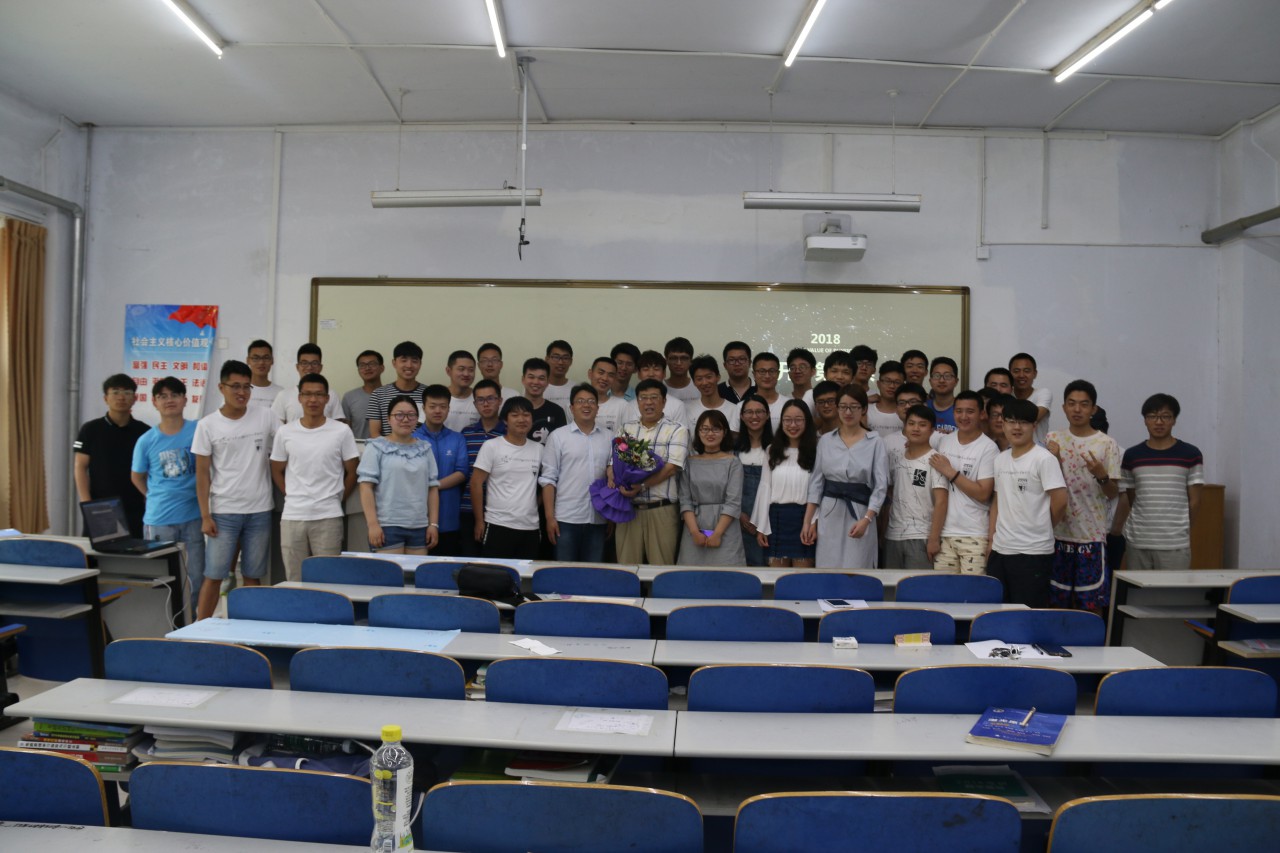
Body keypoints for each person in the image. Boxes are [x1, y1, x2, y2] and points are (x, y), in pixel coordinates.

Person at [192, 360, 279, 620]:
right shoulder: (207, 425)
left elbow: (288, 443)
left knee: (253, 575)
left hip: (259, 510)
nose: (242, 392)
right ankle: (198, 631)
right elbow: (202, 474)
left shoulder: (265, 415)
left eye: (246, 387)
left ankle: (253, 631)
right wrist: (205, 516)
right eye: (235, 386)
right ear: (222, 387)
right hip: (224, 513)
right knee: (214, 575)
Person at [269, 374, 359, 581]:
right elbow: (276, 469)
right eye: (307, 394)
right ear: (299, 398)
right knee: (295, 578)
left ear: (327, 398)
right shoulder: (285, 432)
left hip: (328, 516)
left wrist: (338, 498)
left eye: (319, 394)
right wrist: (290, 494)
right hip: (293, 516)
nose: (313, 400)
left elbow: (352, 470)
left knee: (327, 579)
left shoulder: (341, 431)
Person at [1046, 380, 1121, 611]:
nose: (1077, 409)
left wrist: (1101, 475)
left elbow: (1113, 493)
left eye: (1084, 404)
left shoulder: (1107, 444)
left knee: (1090, 605)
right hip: (1056, 534)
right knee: (1055, 603)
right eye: (1071, 403)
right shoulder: (1052, 440)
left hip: (1092, 536)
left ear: (1093, 409)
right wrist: (1054, 461)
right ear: (1064, 407)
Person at [130, 376, 203, 615]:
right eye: (163, 396)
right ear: (154, 402)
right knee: (162, 580)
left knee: (195, 578)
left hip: (194, 517)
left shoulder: (198, 430)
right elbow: (137, 477)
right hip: (159, 520)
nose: (169, 400)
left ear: (185, 399)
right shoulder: (146, 440)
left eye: (174, 395)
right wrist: (152, 496)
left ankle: (189, 623)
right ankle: (164, 625)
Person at [987, 398, 1068, 607]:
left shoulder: (1044, 459)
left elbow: (1060, 501)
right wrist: (991, 541)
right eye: (1011, 421)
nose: (1017, 427)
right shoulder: (1000, 459)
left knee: (1027, 612)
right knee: (998, 611)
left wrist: (1043, 525)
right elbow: (998, 501)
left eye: (1023, 422)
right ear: (1003, 423)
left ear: (1034, 425)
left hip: (1033, 552)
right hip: (1001, 549)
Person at [1113, 393, 1204, 570]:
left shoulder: (1191, 454)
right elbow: (1132, 498)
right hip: (1138, 542)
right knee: (1137, 589)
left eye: (1165, 416)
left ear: (1174, 420)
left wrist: (1181, 531)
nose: (1159, 422)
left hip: (1174, 544)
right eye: (1152, 416)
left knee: (1172, 588)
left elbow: (1195, 501)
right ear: (1145, 420)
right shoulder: (1132, 456)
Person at [803, 385, 888, 570]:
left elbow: (881, 486)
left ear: (863, 409)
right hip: (829, 511)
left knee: (857, 567)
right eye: (843, 407)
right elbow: (816, 484)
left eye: (854, 407)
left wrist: (867, 519)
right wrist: (808, 522)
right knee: (827, 567)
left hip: (860, 512)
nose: (848, 412)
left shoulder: (875, 442)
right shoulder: (826, 441)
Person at [613, 378, 689, 565]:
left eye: (654, 397)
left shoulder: (677, 429)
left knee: (661, 568)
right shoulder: (626, 429)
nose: (648, 402)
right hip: (628, 509)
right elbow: (613, 462)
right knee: (627, 568)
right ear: (637, 401)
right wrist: (615, 478)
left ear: (664, 401)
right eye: (643, 398)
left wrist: (641, 486)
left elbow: (671, 468)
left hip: (661, 509)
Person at [357, 395, 439, 556]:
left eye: (411, 415)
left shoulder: (425, 448)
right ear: (389, 419)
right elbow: (365, 487)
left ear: (417, 419)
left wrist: (433, 524)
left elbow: (433, 488)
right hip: (387, 525)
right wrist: (372, 524)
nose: (405, 419)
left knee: (416, 572)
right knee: (390, 572)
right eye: (399, 415)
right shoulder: (376, 446)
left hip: (419, 525)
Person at [540, 383, 612, 562]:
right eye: (580, 401)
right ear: (571, 408)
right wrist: (549, 518)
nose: (586, 405)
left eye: (591, 401)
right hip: (566, 519)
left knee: (593, 573)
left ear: (597, 407)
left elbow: (613, 480)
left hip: (598, 519)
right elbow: (548, 480)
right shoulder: (558, 436)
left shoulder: (609, 437)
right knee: (565, 572)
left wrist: (611, 517)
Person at [929, 390, 998, 574]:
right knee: (944, 590)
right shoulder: (944, 441)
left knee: (973, 590)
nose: (964, 416)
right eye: (959, 411)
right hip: (945, 533)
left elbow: (983, 493)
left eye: (970, 411)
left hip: (975, 535)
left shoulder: (989, 448)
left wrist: (950, 472)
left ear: (981, 414)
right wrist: (934, 536)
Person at [74, 373, 150, 537]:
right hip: (100, 506)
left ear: (135, 398)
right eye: (115, 392)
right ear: (105, 398)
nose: (121, 397)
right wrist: (86, 502)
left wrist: (148, 497)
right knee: (99, 551)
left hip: (135, 507)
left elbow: (150, 471)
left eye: (127, 393)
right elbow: (80, 467)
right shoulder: (90, 429)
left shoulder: (144, 432)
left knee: (136, 550)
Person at [471, 397, 544, 559]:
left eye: (526, 415)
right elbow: (475, 483)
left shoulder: (539, 449)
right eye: (515, 415)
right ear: (505, 420)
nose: (521, 419)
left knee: (526, 573)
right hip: (498, 524)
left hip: (530, 527)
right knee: (495, 572)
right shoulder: (492, 446)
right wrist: (479, 521)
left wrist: (532, 505)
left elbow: (546, 485)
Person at [751, 399, 818, 567]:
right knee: (777, 577)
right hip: (776, 519)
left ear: (807, 421)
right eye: (787, 420)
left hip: (805, 519)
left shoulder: (817, 450)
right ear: (781, 422)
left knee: (802, 578)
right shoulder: (771, 450)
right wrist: (762, 526)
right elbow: (765, 488)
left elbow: (819, 491)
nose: (792, 425)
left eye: (798, 420)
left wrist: (813, 522)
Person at [882, 405, 948, 570]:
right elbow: (890, 494)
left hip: (921, 536)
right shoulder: (897, 457)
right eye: (911, 423)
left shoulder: (935, 460)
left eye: (922, 424)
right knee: (891, 585)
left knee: (917, 586)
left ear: (932, 430)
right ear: (905, 427)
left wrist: (934, 539)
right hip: (893, 535)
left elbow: (941, 502)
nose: (916, 428)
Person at [677, 410, 745, 566]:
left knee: (726, 573)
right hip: (694, 526)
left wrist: (717, 533)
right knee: (692, 575)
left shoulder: (733, 462)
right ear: (698, 432)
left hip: (725, 527)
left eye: (716, 429)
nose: (710, 434)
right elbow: (685, 501)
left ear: (724, 432)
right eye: (705, 429)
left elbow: (733, 502)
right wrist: (695, 532)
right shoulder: (689, 462)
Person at [411, 384, 470, 556]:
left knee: (446, 567)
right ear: (423, 408)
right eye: (432, 406)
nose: (438, 411)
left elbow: (462, 472)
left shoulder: (457, 438)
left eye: (443, 406)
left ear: (448, 409)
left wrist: (433, 486)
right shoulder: (412, 439)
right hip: (417, 518)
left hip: (450, 518)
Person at [458, 380, 506, 555]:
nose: (486, 404)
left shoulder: (509, 433)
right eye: (480, 400)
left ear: (500, 401)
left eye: (491, 398)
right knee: (469, 561)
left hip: (500, 511)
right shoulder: (466, 433)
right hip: (468, 509)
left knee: (495, 563)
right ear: (475, 404)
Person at [733, 393, 773, 567]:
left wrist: (762, 519)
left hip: (769, 519)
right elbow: (727, 486)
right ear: (742, 416)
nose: (754, 416)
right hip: (738, 518)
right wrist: (739, 514)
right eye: (749, 412)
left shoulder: (777, 448)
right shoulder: (733, 449)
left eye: (759, 412)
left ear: (768, 415)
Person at [270, 343, 345, 424]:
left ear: (320, 367)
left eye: (314, 363)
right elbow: (275, 426)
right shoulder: (284, 395)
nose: (309, 367)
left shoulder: (331, 394)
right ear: (297, 367)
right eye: (304, 363)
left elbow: (339, 425)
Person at [366, 341, 427, 437]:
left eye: (414, 361)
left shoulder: (428, 394)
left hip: (422, 446)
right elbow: (375, 433)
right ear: (394, 363)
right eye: (404, 360)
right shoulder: (378, 394)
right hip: (386, 446)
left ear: (420, 364)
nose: (409, 365)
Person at [625, 350, 688, 429]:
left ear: (664, 373)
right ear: (639, 374)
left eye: (656, 369)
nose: (651, 374)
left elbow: (681, 433)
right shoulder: (630, 406)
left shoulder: (677, 406)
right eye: (646, 369)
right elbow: (626, 433)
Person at [880, 382, 943, 458]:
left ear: (925, 405)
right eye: (902, 403)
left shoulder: (940, 439)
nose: (907, 406)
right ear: (896, 408)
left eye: (913, 402)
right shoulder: (887, 441)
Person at [686, 355, 740, 433]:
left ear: (718, 377)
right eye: (699, 379)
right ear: (694, 382)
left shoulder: (734, 410)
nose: (704, 383)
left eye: (709, 377)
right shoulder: (687, 409)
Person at [520, 357, 567, 444]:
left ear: (547, 382)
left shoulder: (557, 412)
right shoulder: (512, 410)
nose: (536, 382)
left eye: (541, 378)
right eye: (531, 377)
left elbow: (562, 444)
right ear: (523, 379)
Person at [1009, 352, 1052, 446]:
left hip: (1038, 450)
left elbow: (1032, 418)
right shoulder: (1007, 394)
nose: (1021, 375)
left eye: (1027, 371)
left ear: (1035, 374)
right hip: (1009, 450)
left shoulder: (1043, 393)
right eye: (1016, 371)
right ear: (1010, 374)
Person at [341, 349, 384, 440]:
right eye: (362, 365)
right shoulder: (349, 397)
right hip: (359, 447)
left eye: (372, 364)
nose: (367, 368)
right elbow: (345, 430)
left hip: (388, 447)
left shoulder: (391, 395)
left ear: (382, 368)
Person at [867, 360, 906, 439]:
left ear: (903, 386)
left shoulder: (907, 413)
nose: (892, 386)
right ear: (878, 384)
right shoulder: (866, 410)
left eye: (897, 382)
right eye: (887, 381)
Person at [590, 357, 630, 433]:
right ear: (590, 374)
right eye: (601, 373)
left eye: (610, 375)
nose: (605, 378)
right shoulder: (576, 405)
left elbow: (628, 435)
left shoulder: (622, 405)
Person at [443, 349, 479, 431]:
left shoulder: (480, 399)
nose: (466, 374)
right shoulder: (438, 397)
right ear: (448, 371)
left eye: (471, 370)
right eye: (461, 369)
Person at [752, 352, 787, 429]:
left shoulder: (788, 405)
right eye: (762, 371)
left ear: (778, 374)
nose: (767, 376)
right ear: (754, 374)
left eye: (772, 371)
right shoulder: (742, 406)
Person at [246, 340, 284, 410]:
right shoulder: (241, 391)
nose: (261, 362)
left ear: (272, 360)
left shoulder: (281, 393)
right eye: (256, 358)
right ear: (248, 360)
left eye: (266, 358)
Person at [663, 336, 700, 403]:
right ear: (666, 361)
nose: (678, 363)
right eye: (673, 358)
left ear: (691, 361)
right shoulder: (659, 388)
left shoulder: (700, 386)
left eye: (684, 358)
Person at [927, 356, 959, 434]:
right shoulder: (923, 407)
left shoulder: (963, 409)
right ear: (930, 381)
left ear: (956, 381)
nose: (941, 380)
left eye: (947, 376)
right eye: (937, 376)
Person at [543, 339, 575, 409]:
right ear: (546, 359)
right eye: (556, 357)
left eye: (565, 358)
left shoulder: (576, 389)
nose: (560, 362)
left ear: (571, 361)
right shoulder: (537, 387)